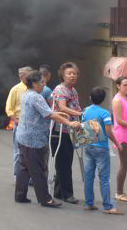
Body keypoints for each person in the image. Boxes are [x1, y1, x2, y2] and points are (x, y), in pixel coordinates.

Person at [13, 70, 81, 208]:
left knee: (24, 167)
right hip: (34, 139)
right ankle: (45, 199)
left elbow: (44, 111)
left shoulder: (27, 94)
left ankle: (20, 195)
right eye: (42, 83)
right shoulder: (36, 97)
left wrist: (57, 113)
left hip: (23, 136)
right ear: (34, 83)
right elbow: (49, 115)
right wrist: (69, 123)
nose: (44, 86)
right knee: (38, 170)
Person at [83, 87, 124, 214]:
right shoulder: (105, 113)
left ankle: (89, 203)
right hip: (101, 148)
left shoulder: (85, 111)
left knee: (89, 176)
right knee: (104, 178)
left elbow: (85, 127)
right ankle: (108, 206)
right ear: (103, 99)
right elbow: (108, 132)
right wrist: (117, 143)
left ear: (90, 97)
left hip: (88, 145)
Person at [50, 62, 82, 204]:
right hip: (61, 130)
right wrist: (78, 113)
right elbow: (62, 107)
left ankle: (58, 192)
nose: (72, 76)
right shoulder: (60, 89)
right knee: (64, 163)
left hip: (71, 130)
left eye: (74, 73)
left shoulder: (73, 91)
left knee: (65, 162)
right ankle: (67, 194)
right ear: (62, 75)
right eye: (69, 73)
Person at [6, 66, 33, 182]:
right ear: (21, 77)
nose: (31, 77)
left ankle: (31, 177)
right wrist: (15, 121)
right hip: (20, 122)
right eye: (28, 75)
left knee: (32, 151)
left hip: (32, 124)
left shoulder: (34, 89)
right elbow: (9, 108)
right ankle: (17, 176)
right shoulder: (15, 90)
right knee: (18, 151)